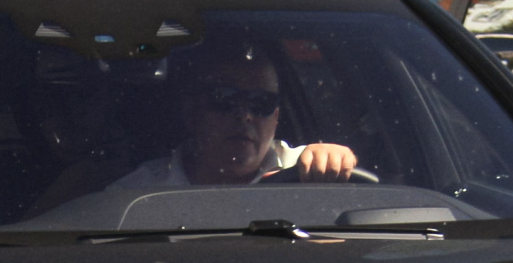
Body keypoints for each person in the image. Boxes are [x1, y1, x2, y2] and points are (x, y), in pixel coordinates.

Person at [109, 34, 360, 187]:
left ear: (276, 117)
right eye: (224, 98)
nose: (244, 115)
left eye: (261, 102)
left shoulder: (306, 171)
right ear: (191, 112)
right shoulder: (138, 195)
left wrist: (334, 160)